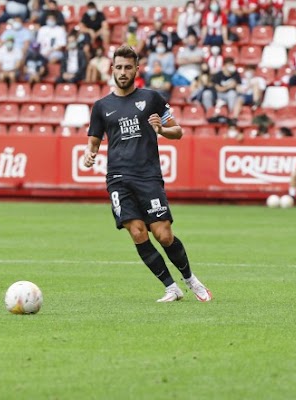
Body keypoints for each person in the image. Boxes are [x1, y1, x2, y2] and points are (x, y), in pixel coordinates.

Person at [83, 45, 212, 303]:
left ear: (136, 70)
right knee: (137, 232)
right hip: (118, 179)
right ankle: (171, 287)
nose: (122, 72)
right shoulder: (101, 106)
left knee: (163, 234)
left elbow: (179, 131)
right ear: (112, 70)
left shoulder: (151, 98)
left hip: (148, 176)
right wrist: (90, 153)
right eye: (118, 67)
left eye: (127, 67)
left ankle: (190, 279)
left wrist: (162, 131)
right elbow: (94, 140)